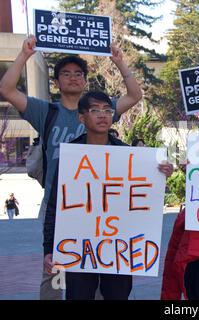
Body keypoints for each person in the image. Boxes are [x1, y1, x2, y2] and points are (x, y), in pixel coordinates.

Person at [0, 36, 142, 300]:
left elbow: (134, 95)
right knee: (54, 274)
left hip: (101, 208)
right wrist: (24, 55)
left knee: (98, 277)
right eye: (66, 73)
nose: (73, 77)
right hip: (58, 204)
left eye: (79, 73)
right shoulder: (46, 111)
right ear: (56, 82)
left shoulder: (99, 109)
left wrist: (120, 62)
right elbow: (7, 90)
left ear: (85, 81)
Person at [42, 91, 173, 300]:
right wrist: (49, 248)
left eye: (107, 110)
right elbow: (54, 205)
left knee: (118, 295)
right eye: (95, 110)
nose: (102, 115)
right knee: (79, 295)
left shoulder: (128, 154)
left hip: (119, 248)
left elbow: (144, 196)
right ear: (82, 117)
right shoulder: (70, 155)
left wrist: (162, 172)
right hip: (79, 246)